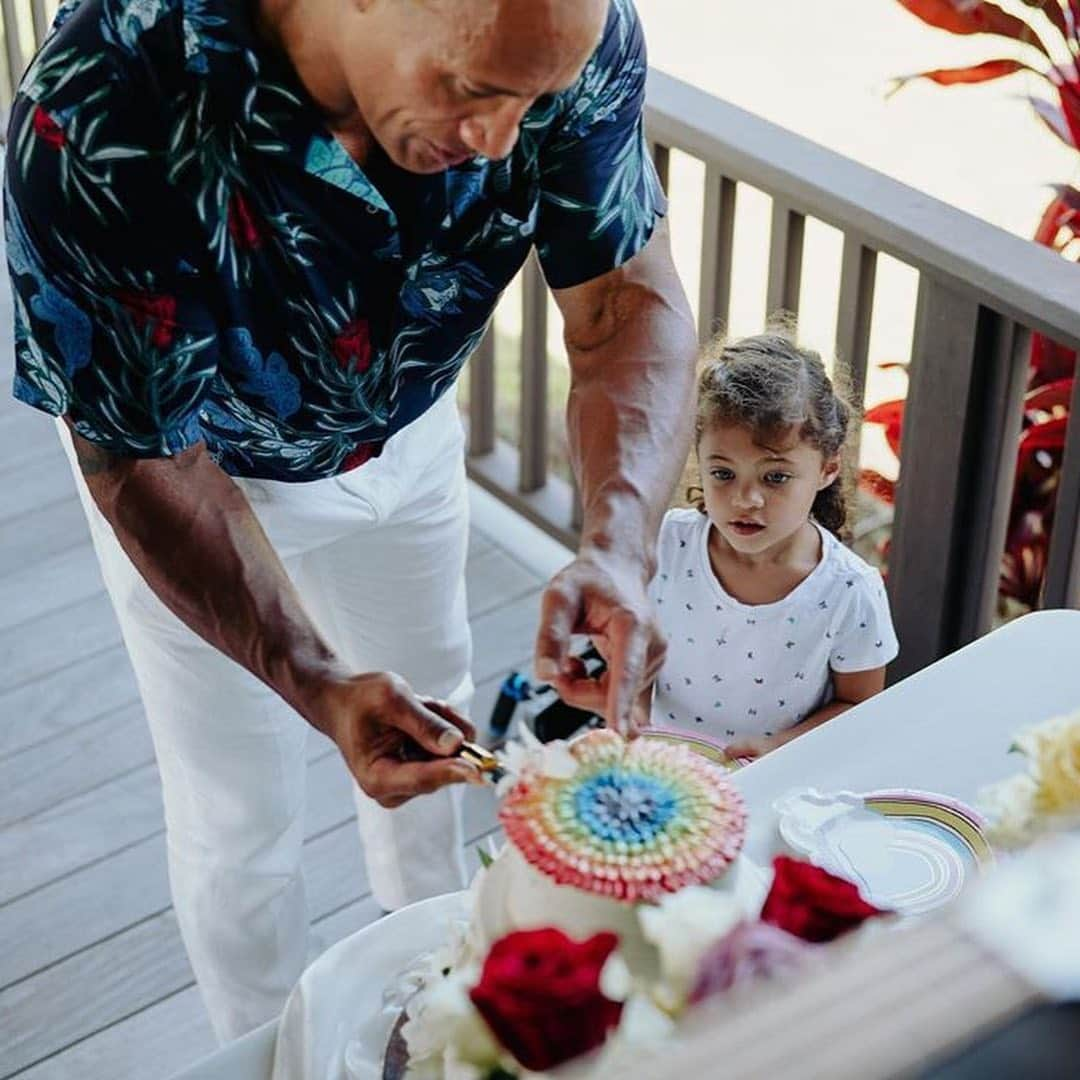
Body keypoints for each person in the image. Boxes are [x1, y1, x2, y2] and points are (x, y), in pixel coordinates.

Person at [5, 0, 696, 1041]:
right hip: (201, 483)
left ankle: (440, 1003)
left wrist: (619, 546)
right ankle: (268, 1049)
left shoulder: (565, 33)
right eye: (469, 91)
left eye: (534, 100)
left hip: (414, 442)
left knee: (441, 717)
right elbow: (145, 455)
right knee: (238, 813)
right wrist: (312, 678)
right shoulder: (100, 102)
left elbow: (622, 304)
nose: (502, 143)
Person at [647, 331, 898, 759]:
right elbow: (636, 648)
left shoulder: (850, 591)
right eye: (723, 473)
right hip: (663, 773)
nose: (746, 500)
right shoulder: (667, 542)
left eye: (775, 477)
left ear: (827, 469)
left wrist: (776, 746)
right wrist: (631, 718)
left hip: (777, 781)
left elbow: (858, 705)